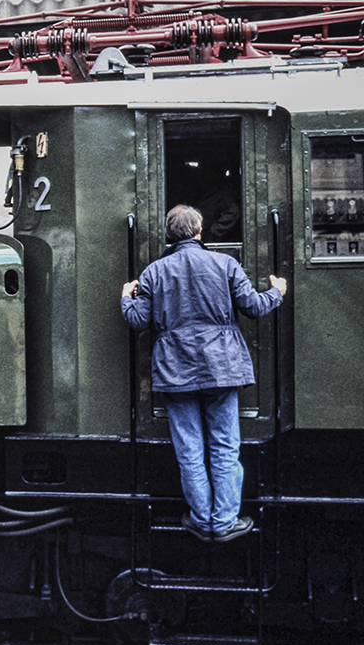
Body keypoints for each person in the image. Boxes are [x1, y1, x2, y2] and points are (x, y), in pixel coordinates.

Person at [121, 204, 286, 543]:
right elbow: (254, 307)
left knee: (189, 450)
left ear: (169, 235)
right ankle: (224, 521)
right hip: (221, 368)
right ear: (200, 232)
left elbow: (138, 322)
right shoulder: (226, 264)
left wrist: (126, 298)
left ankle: (201, 519)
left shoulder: (153, 272)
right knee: (225, 447)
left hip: (174, 370)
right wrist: (278, 291)